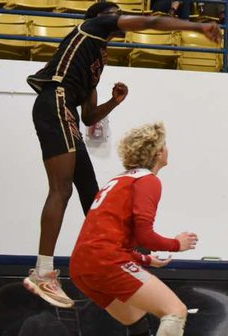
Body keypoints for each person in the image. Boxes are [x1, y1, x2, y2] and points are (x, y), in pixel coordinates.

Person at [23, 2, 221, 309]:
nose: (119, 18)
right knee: (60, 189)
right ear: (101, 18)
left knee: (92, 198)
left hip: (69, 112)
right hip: (55, 101)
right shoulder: (90, 29)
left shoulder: (96, 62)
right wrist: (197, 27)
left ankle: (119, 260)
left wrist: (115, 102)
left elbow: (89, 116)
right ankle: (43, 271)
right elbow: (152, 21)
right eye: (114, 13)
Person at [69, 122, 197, 336]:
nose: (167, 149)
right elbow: (145, 236)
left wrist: (145, 259)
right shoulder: (148, 181)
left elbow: (107, 237)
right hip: (106, 262)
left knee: (136, 320)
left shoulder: (119, 179)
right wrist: (176, 244)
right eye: (164, 145)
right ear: (157, 152)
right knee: (175, 311)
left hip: (81, 266)